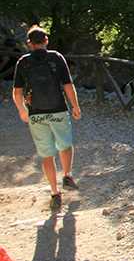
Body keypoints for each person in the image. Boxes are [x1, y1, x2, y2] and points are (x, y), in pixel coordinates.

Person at [11, 26, 82, 209]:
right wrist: (75, 106)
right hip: (58, 109)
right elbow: (67, 85)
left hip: (36, 113)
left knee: (46, 155)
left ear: (29, 43)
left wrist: (22, 110)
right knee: (65, 144)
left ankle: (54, 193)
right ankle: (67, 176)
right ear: (46, 41)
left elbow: (17, 92)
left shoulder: (23, 62)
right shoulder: (56, 58)